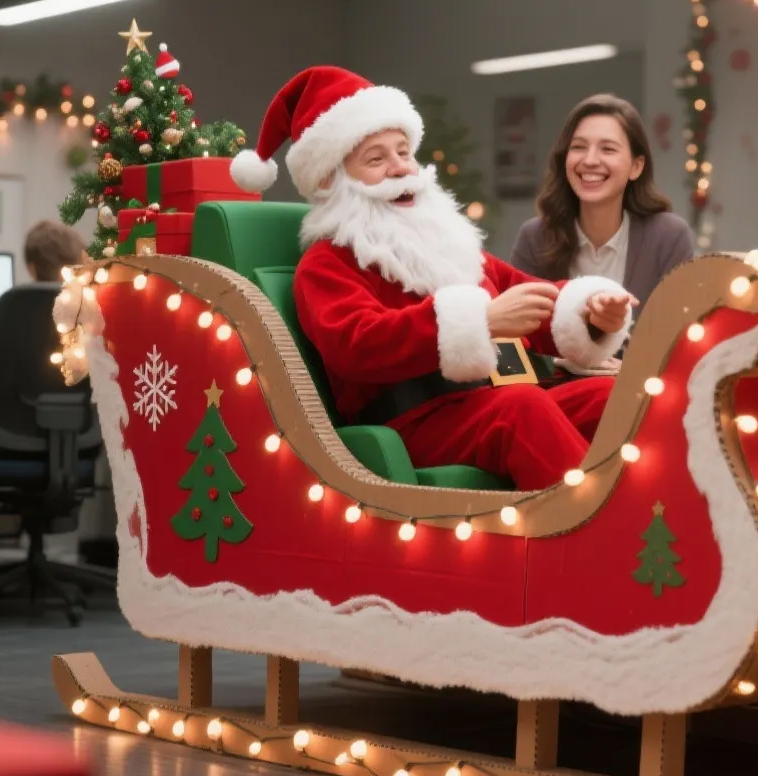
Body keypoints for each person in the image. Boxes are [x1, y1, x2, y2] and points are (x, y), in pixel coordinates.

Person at [230, 66, 634, 490]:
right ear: (332, 180)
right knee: (522, 409)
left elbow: (532, 297)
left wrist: (591, 313)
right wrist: (479, 322)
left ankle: (668, 529)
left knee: (625, 398)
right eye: (376, 158)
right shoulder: (328, 263)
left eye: (404, 152)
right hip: (417, 420)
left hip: (497, 398)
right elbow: (357, 344)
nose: (401, 168)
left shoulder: (451, 245)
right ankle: (604, 543)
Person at [511, 94, 695, 305]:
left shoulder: (668, 237)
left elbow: (677, 331)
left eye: (608, 149)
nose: (590, 160)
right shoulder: (535, 238)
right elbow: (519, 333)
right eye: (579, 147)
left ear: (636, 167)